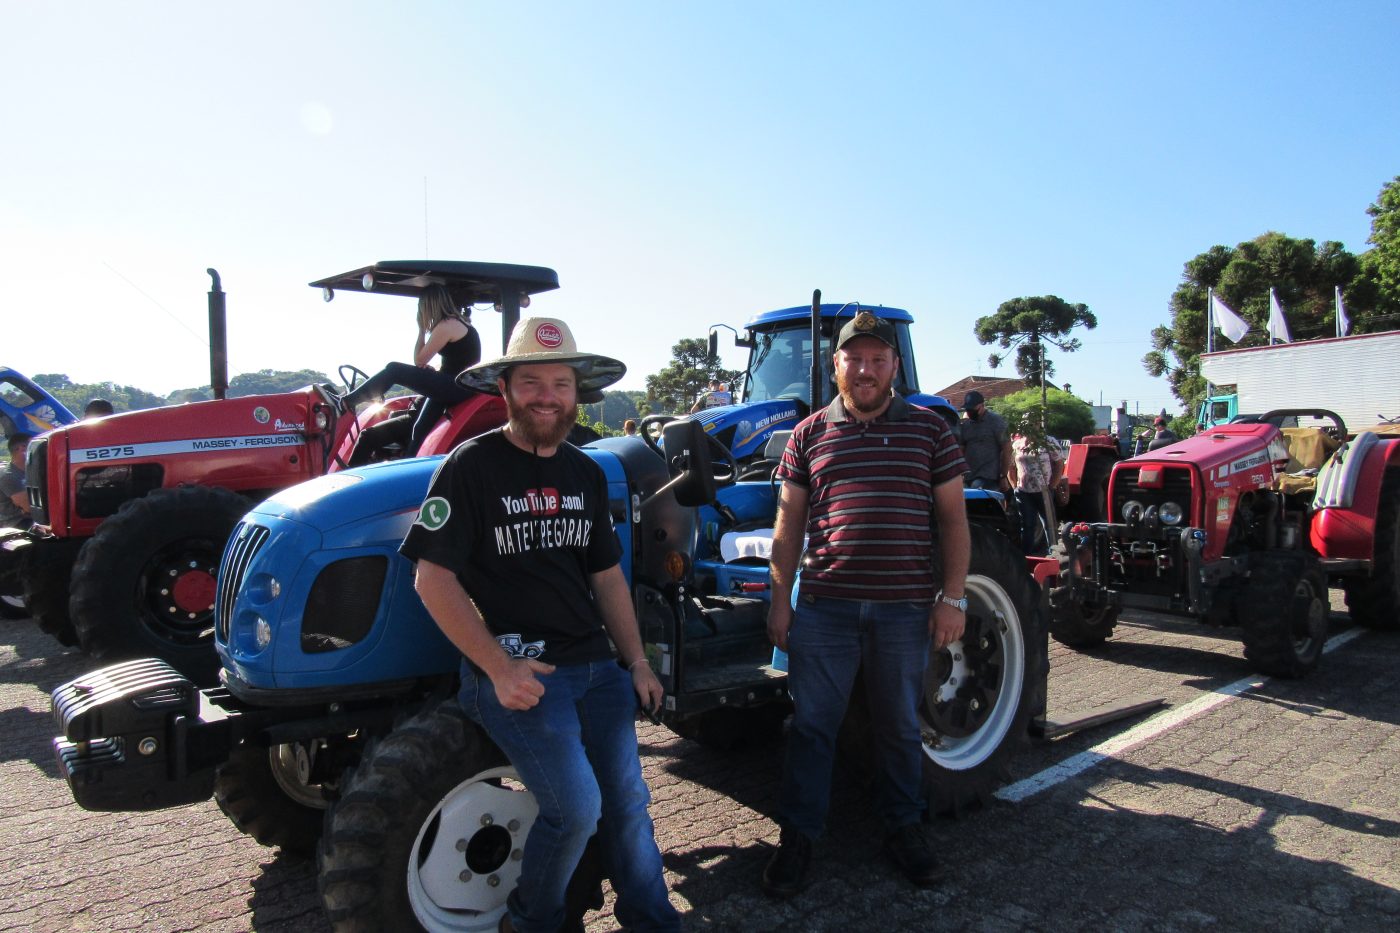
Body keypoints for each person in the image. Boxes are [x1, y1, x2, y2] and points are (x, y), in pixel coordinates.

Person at [401, 317, 681, 933]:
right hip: (523, 673)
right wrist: (498, 669)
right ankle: (533, 921)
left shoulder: (585, 471)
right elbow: (432, 578)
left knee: (628, 804)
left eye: (561, 383)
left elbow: (607, 578)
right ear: (505, 388)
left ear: (578, 394)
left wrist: (636, 662)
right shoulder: (470, 466)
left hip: (597, 670)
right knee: (576, 810)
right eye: (531, 382)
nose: (546, 396)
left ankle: (654, 920)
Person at [762, 311, 971, 897]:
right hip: (824, 609)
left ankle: (903, 829)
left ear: (894, 366)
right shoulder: (808, 435)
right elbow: (789, 525)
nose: (866, 370)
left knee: (899, 727)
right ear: (836, 365)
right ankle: (798, 837)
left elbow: (954, 521)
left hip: (903, 610)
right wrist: (779, 601)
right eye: (854, 359)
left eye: (878, 359)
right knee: (811, 728)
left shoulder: (930, 431)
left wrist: (953, 598)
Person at [341, 284, 482, 456]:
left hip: (456, 385)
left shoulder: (447, 325)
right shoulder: (458, 324)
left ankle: (349, 401)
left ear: (428, 307)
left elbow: (419, 360)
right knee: (419, 429)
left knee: (393, 370)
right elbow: (458, 360)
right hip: (456, 383)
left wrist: (421, 329)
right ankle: (409, 462)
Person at [1011, 433, 1065, 555]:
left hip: (1044, 491)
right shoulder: (1017, 444)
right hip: (1024, 492)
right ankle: (1026, 556)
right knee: (1027, 525)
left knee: (1049, 524)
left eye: (1033, 423)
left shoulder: (1048, 441)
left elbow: (1059, 463)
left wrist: (1053, 485)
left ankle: (1054, 554)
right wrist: (1014, 485)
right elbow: (1011, 466)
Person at [960, 390, 1013, 492]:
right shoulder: (966, 426)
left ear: (982, 406)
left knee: (977, 487)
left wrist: (1003, 476)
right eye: (968, 410)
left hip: (989, 476)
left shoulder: (996, 422)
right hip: (969, 476)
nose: (970, 412)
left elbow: (1007, 449)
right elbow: (961, 450)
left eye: (973, 409)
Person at [1, 433, 33, 530]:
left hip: (29, 520)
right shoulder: (9, 476)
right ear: (22, 449)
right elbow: (30, 507)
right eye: (34, 448)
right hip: (16, 525)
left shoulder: (26, 472)